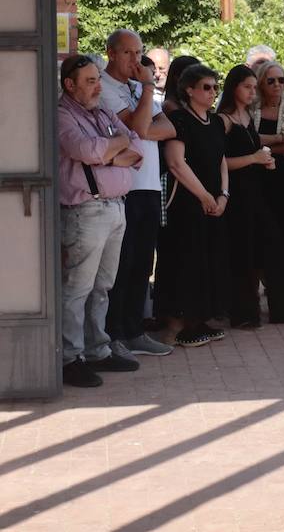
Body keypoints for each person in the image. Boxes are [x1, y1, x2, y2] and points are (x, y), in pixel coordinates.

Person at [57, 54, 144, 387]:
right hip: (85, 211)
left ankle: (97, 349)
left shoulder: (103, 112)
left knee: (102, 287)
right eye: (90, 81)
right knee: (77, 288)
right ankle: (69, 357)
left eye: (97, 79)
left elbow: (136, 146)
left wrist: (109, 149)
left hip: (114, 207)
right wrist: (110, 149)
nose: (97, 87)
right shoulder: (63, 115)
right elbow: (87, 151)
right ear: (70, 84)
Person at [98, 30, 175, 361]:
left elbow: (167, 128)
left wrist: (144, 121)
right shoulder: (104, 88)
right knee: (122, 264)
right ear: (112, 54)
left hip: (149, 187)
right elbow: (139, 128)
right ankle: (113, 334)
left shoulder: (137, 88)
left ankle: (134, 331)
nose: (136, 60)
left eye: (138, 52)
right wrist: (146, 92)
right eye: (129, 53)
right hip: (123, 186)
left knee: (143, 263)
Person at [218, 64, 284, 327]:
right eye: (247, 86)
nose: (253, 91)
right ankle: (242, 313)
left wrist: (263, 160)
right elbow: (219, 162)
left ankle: (282, 309)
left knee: (273, 248)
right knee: (243, 254)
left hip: (256, 190)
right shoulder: (225, 119)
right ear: (234, 88)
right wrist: (254, 157)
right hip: (237, 194)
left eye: (254, 86)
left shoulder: (246, 116)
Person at [158, 63, 233, 348]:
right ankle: (179, 326)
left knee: (209, 259)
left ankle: (200, 319)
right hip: (187, 203)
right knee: (186, 260)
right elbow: (176, 163)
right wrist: (203, 196)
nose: (212, 92)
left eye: (215, 86)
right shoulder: (179, 121)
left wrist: (223, 195)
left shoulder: (215, 122)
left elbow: (221, 160)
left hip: (214, 201)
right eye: (206, 87)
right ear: (189, 90)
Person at [254, 61, 284, 276]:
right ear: (261, 82)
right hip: (256, 175)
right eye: (271, 80)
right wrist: (280, 139)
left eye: (282, 80)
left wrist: (265, 145)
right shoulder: (250, 106)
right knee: (259, 229)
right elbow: (248, 139)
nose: (277, 85)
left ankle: (281, 286)